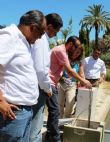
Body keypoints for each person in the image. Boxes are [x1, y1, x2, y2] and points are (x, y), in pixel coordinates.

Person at [0, 10, 46, 142]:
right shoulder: (10, 37)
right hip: (12, 113)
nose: (40, 37)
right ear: (32, 27)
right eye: (41, 32)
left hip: (24, 111)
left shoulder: (23, 42)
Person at [46, 36, 92, 142]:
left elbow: (80, 72)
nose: (76, 52)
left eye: (78, 51)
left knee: (67, 106)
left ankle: (60, 126)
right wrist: (84, 81)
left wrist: (82, 81)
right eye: (76, 49)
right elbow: (69, 71)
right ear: (71, 46)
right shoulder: (63, 53)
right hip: (57, 83)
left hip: (68, 84)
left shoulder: (76, 60)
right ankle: (55, 132)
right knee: (57, 108)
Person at [30, 13, 63, 142]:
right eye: (56, 31)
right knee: (35, 128)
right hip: (39, 87)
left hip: (35, 86)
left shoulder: (38, 39)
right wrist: (47, 88)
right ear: (49, 27)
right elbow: (41, 69)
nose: (56, 34)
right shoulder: (42, 40)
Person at [58, 47, 84, 118]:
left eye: (78, 53)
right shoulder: (65, 58)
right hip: (61, 83)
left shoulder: (79, 63)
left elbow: (81, 74)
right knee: (59, 103)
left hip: (72, 85)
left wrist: (83, 82)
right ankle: (59, 119)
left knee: (70, 102)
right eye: (75, 51)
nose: (76, 54)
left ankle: (66, 119)